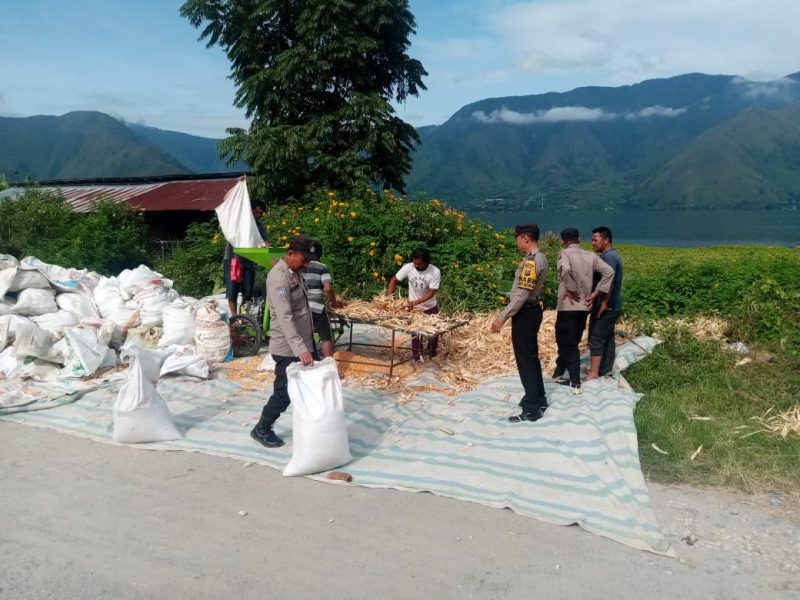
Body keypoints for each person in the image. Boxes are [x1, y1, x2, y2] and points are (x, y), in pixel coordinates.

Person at [250, 235, 320, 448]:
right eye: (304, 260)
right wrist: (300, 349)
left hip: (303, 343)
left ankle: (313, 426)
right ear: (291, 254)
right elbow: (285, 317)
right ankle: (262, 428)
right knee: (284, 392)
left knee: (312, 385)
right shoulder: (279, 279)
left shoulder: (294, 271)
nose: (306, 265)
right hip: (288, 348)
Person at [491, 224, 550, 422]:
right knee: (531, 358)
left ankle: (532, 409)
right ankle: (538, 398)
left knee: (525, 361)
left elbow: (522, 295)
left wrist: (502, 317)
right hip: (531, 310)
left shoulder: (532, 261)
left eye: (517, 239)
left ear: (525, 238)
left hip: (525, 313)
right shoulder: (540, 258)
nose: (516, 243)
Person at [553, 227, 615, 394]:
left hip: (568, 306)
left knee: (565, 342)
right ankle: (559, 372)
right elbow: (609, 272)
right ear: (579, 239)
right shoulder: (591, 255)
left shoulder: (564, 254)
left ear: (562, 241)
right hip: (585, 306)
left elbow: (565, 269)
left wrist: (571, 288)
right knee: (572, 341)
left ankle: (574, 380)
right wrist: (597, 292)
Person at [386, 248, 441, 364]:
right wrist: (389, 300)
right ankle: (416, 358)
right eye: (415, 263)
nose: (416, 266)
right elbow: (393, 280)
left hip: (430, 307)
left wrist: (415, 302)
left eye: (419, 264)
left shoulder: (435, 271)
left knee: (433, 332)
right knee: (415, 333)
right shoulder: (408, 267)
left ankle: (432, 352)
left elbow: (431, 292)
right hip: (414, 309)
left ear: (426, 262)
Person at [586, 226, 624, 381]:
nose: (593, 243)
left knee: (596, 336)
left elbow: (610, 280)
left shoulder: (609, 257)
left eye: (595, 240)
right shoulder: (610, 255)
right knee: (607, 337)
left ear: (606, 240)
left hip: (607, 306)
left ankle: (594, 373)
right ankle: (605, 370)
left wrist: (604, 303)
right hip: (612, 305)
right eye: (592, 240)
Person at [223, 198, 269, 317]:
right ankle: (234, 318)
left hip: (248, 261)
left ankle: (244, 318)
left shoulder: (259, 226)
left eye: (261, 214)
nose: (259, 215)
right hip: (233, 260)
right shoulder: (239, 222)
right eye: (257, 212)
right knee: (232, 291)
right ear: (250, 210)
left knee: (248, 292)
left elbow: (265, 242)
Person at [301, 242, 344, 359]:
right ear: (320, 254)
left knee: (305, 337)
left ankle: (308, 362)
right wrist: (334, 302)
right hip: (317, 308)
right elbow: (328, 288)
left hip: (301, 307)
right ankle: (329, 365)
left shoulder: (300, 265)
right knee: (326, 337)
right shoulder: (322, 267)